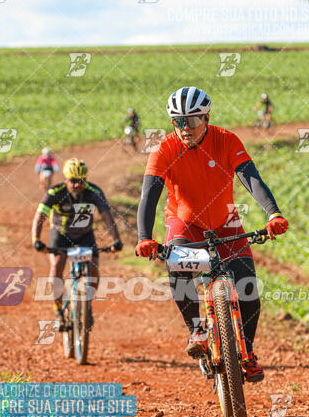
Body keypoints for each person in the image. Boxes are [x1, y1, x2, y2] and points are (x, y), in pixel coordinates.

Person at [135, 86, 288, 382]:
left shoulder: (226, 140)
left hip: (225, 220)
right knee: (178, 265)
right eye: (178, 122)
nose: (184, 128)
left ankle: (248, 352)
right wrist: (144, 236)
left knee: (248, 290)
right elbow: (148, 195)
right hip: (185, 222)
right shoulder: (164, 148)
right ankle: (197, 330)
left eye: (191, 121)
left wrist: (273, 213)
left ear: (206, 117)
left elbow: (251, 179)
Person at [32, 158, 123, 324]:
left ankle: (87, 305)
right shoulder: (55, 192)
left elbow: (107, 216)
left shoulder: (94, 191)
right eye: (73, 181)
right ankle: (58, 310)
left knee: (94, 267)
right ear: (65, 179)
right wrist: (36, 239)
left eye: (81, 181)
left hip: (84, 235)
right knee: (57, 265)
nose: (77, 185)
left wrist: (116, 239)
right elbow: (40, 216)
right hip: (60, 234)